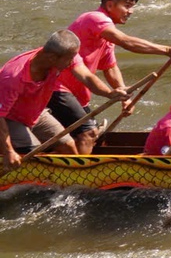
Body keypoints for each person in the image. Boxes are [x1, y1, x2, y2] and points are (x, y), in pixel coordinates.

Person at [50, 0, 171, 154]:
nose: (131, 12)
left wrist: (125, 98)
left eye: (132, 7)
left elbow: (110, 68)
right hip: (58, 88)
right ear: (109, 5)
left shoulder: (106, 37)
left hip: (78, 92)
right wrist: (166, 50)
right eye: (127, 6)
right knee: (88, 132)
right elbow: (126, 42)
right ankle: (82, 179)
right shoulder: (95, 18)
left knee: (79, 135)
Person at [1, 33, 124, 163]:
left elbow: (87, 77)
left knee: (69, 146)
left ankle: (75, 179)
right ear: (52, 58)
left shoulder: (62, 56)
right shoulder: (12, 77)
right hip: (10, 118)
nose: (72, 62)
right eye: (69, 59)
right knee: (36, 155)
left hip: (35, 113)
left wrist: (110, 93)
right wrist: (9, 151)